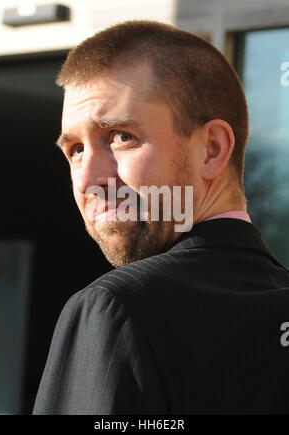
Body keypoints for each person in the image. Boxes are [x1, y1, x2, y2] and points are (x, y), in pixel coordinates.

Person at [33, 20, 289, 415]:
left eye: (121, 136)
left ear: (212, 149)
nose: (87, 179)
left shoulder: (118, 308)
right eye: (75, 150)